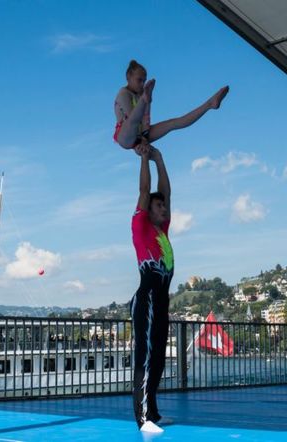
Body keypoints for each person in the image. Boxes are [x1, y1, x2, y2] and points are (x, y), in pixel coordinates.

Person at [131, 142, 174, 433]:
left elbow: (166, 192)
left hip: (161, 300)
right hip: (146, 298)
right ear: (149, 210)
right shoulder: (142, 225)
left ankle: (154, 413)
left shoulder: (162, 230)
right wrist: (145, 160)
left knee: (158, 357)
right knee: (145, 357)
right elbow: (146, 192)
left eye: (164, 207)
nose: (164, 208)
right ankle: (142, 418)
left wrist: (160, 159)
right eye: (159, 206)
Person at [114, 60, 229, 149]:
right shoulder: (123, 93)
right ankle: (145, 102)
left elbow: (146, 118)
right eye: (139, 80)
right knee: (133, 120)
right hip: (125, 135)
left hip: (141, 134)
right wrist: (140, 142)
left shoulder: (141, 94)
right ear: (128, 77)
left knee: (173, 123)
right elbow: (132, 119)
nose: (142, 83)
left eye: (144, 81)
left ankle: (209, 104)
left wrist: (144, 136)